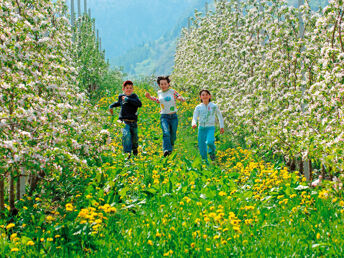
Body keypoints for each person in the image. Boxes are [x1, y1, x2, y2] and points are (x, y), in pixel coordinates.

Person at [145, 76, 185, 157]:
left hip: (173, 116)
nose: (163, 85)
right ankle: (167, 150)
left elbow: (179, 96)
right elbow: (158, 101)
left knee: (173, 135)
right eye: (161, 84)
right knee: (166, 132)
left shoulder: (172, 91)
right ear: (159, 85)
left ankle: (171, 145)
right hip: (164, 116)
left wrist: (181, 98)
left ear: (168, 84)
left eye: (165, 84)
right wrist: (149, 97)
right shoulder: (159, 93)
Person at [109, 80, 142, 157]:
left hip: (133, 121)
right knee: (126, 135)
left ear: (133, 89)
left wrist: (128, 99)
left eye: (130, 88)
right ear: (123, 89)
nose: (129, 89)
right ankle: (127, 154)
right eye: (127, 88)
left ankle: (135, 151)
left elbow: (139, 104)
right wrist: (111, 106)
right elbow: (118, 103)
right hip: (124, 121)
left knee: (134, 139)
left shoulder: (134, 96)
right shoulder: (121, 97)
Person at [192, 89, 224, 162]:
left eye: (206, 94)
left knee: (210, 141)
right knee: (202, 146)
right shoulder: (198, 107)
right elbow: (194, 116)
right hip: (201, 128)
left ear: (209, 96)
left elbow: (220, 116)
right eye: (203, 95)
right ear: (200, 97)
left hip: (210, 128)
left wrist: (221, 126)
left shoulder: (214, 106)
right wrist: (194, 123)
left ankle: (212, 152)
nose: (205, 96)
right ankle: (205, 162)